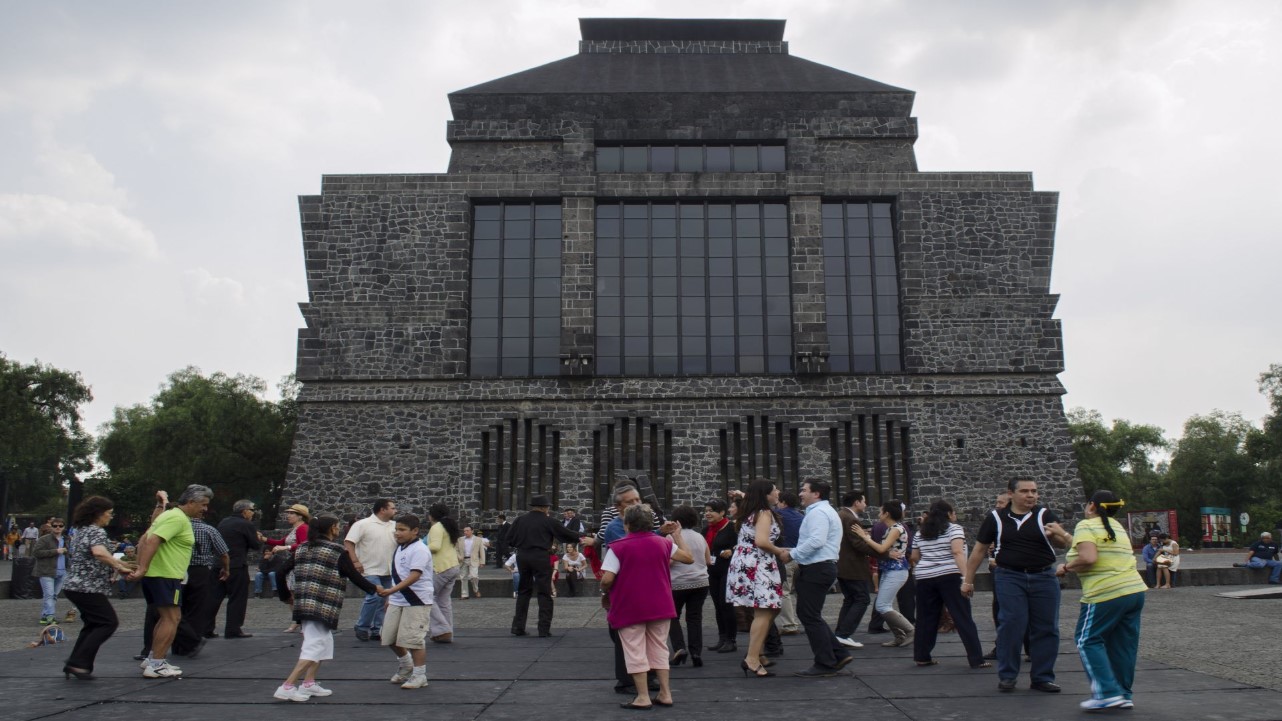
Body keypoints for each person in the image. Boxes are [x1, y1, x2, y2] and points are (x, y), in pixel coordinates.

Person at [963, 478, 1072, 693]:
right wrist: (967, 580)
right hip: (1009, 576)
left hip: (1044, 576)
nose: (1031, 495)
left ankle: (1042, 677)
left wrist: (1057, 535)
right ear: (1011, 494)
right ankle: (1008, 675)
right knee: (1011, 624)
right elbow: (978, 550)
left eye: (1034, 491)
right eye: (1025, 491)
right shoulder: (996, 518)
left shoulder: (1045, 515)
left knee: (1047, 628)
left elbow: (1060, 543)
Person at [272, 513, 380, 702]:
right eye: (337, 526)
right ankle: (287, 686)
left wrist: (285, 595)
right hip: (322, 603)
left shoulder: (302, 548)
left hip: (305, 602)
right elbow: (354, 576)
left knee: (324, 642)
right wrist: (376, 590)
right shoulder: (337, 551)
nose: (339, 529)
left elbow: (281, 572)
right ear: (332, 529)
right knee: (314, 646)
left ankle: (308, 682)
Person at [1056, 490, 1147, 711]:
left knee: (1087, 640)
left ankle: (1106, 693)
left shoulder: (1086, 526)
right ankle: (1123, 694)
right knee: (1123, 645)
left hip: (1105, 593)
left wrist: (1065, 567)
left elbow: (1088, 557)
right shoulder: (1117, 527)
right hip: (1134, 591)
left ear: (1092, 506)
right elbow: (1091, 547)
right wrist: (1064, 535)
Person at [601, 504, 693, 710]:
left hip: (630, 605)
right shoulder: (663, 544)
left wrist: (605, 591)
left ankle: (642, 696)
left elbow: (607, 579)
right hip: (660, 603)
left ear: (627, 524)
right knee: (659, 647)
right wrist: (677, 536)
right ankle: (665, 692)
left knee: (635, 649)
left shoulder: (617, 547)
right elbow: (688, 558)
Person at [127, 485, 213, 678]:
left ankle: (152, 659)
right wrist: (141, 568)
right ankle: (156, 663)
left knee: (165, 617)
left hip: (161, 575)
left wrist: (141, 567)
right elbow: (151, 541)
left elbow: (144, 539)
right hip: (165, 575)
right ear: (191, 502)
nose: (205, 509)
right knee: (172, 618)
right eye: (203, 505)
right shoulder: (176, 518)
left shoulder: (170, 516)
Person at [783, 480, 854, 677]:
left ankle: (825, 662)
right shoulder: (822, 511)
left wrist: (792, 554)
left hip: (817, 568)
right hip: (820, 566)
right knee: (810, 614)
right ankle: (838, 654)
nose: (800, 494)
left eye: (804, 490)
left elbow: (816, 541)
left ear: (816, 494)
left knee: (809, 615)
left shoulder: (818, 513)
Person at [60, 496, 136, 680]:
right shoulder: (97, 531)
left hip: (74, 585)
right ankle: (77, 663)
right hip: (87, 587)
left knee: (92, 624)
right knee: (108, 622)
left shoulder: (80, 530)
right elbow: (99, 553)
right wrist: (121, 567)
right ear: (98, 514)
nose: (110, 517)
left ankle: (78, 663)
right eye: (109, 514)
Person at [911, 499, 987, 668]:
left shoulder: (920, 532)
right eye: (953, 512)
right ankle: (976, 659)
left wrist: (930, 563)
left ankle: (922, 656)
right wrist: (967, 578)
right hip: (950, 575)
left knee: (925, 618)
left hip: (924, 577)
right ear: (949, 514)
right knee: (962, 616)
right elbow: (957, 552)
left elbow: (914, 557)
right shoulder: (955, 529)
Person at [726, 479, 786, 677]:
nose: (778, 492)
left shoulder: (751, 511)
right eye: (775, 490)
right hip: (758, 563)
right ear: (766, 494)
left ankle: (757, 652)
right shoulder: (764, 513)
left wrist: (741, 493)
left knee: (771, 609)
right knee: (765, 610)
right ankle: (752, 658)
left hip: (747, 561)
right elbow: (761, 541)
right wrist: (780, 551)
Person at [508, 494, 586, 637]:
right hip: (541, 556)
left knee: (524, 591)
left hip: (523, 556)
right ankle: (543, 629)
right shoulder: (548, 521)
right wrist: (583, 537)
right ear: (545, 508)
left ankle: (518, 627)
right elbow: (566, 533)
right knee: (544, 591)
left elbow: (509, 539)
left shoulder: (519, 520)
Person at [376, 514, 434, 689]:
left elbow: (415, 575)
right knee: (388, 636)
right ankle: (406, 663)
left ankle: (419, 675)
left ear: (415, 531)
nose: (397, 533)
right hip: (398, 599)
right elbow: (397, 575)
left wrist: (391, 591)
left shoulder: (420, 550)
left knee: (413, 639)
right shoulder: (400, 548)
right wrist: (391, 597)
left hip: (416, 599)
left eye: (402, 530)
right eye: (396, 529)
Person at [852, 501, 915, 648]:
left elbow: (882, 549)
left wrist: (865, 537)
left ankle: (910, 630)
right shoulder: (892, 528)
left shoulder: (896, 529)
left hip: (896, 571)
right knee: (883, 605)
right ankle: (900, 635)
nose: (879, 514)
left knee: (882, 605)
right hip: (890, 569)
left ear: (887, 513)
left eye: (881, 511)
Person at [345, 498, 397, 641]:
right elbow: (349, 542)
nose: (395, 511)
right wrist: (355, 561)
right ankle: (362, 626)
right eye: (392, 508)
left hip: (388, 569)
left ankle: (377, 629)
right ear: (383, 509)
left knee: (383, 599)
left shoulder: (395, 525)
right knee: (373, 596)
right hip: (368, 568)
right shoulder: (362, 524)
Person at [834, 491, 880, 649]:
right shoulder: (850, 518)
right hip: (852, 566)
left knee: (850, 599)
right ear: (856, 502)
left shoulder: (841, 515)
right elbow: (858, 544)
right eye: (864, 501)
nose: (865, 505)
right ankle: (843, 634)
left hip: (842, 565)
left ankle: (840, 633)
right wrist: (883, 553)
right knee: (862, 599)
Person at [666, 505, 709, 668]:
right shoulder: (700, 537)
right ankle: (696, 652)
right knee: (694, 617)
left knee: (672, 616)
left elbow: (668, 561)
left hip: (678, 583)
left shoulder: (672, 538)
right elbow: (707, 560)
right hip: (701, 582)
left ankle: (679, 648)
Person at [214, 499, 261, 638]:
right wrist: (258, 537)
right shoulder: (246, 524)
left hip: (219, 564)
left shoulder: (223, 522)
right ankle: (233, 629)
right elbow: (255, 545)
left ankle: (206, 628)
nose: (253, 513)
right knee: (237, 598)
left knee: (214, 598)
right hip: (237, 565)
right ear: (244, 511)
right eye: (252, 510)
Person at [268, 504, 311, 633]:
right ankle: (297, 621)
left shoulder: (303, 528)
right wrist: (264, 539)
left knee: (297, 594)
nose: (288, 515)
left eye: (292, 513)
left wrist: (287, 548)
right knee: (293, 594)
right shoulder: (295, 529)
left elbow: (304, 545)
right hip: (293, 566)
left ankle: (301, 622)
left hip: (299, 565)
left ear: (300, 516)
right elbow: (281, 542)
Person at [704, 498, 738, 653]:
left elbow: (740, 545)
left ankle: (731, 639)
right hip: (712, 570)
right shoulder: (707, 530)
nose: (708, 514)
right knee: (717, 605)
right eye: (706, 511)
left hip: (728, 570)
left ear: (722, 512)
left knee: (726, 605)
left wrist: (731, 550)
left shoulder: (732, 527)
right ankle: (722, 637)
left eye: (711, 510)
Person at [425, 502, 461, 644]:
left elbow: (435, 546)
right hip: (452, 565)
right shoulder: (449, 526)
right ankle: (447, 632)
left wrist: (418, 548)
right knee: (444, 601)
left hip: (440, 567)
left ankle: (442, 629)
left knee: (428, 597)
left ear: (432, 515)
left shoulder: (436, 527)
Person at [774, 491, 804, 636]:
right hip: (801, 556)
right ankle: (807, 620)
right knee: (801, 592)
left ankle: (789, 625)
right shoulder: (801, 516)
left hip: (785, 555)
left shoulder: (778, 514)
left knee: (784, 592)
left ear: (783, 503)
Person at [33, 517, 69, 625]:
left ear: (64, 527)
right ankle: (50, 617)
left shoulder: (66, 539)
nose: (58, 528)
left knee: (54, 595)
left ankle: (44, 616)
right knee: (49, 594)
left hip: (62, 571)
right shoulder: (44, 539)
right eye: (55, 526)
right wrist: (55, 551)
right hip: (46, 571)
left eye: (60, 526)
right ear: (51, 527)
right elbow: (36, 553)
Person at [456, 525, 486, 599]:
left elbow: (482, 551)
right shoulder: (460, 539)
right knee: (463, 577)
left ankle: (476, 590)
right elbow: (455, 549)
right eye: (464, 531)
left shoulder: (478, 539)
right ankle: (464, 594)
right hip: (463, 560)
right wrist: (459, 557)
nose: (465, 532)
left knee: (474, 576)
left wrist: (482, 561)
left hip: (474, 560)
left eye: (467, 530)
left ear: (472, 531)